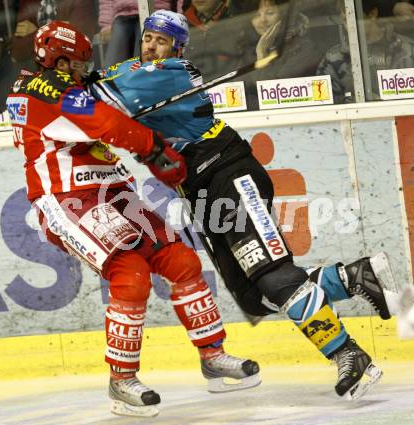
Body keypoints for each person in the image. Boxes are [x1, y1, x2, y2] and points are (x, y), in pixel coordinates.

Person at [90, 9, 397, 400]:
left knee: (273, 275)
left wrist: (68, 85)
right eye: (148, 37)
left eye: (161, 41)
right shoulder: (135, 68)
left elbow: (101, 102)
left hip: (229, 173)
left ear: (177, 47)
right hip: (199, 188)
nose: (151, 45)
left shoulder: (170, 72)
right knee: (258, 296)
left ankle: (349, 355)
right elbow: (109, 88)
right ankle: (355, 277)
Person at [6, 20, 260, 418]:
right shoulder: (42, 90)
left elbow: (106, 109)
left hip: (112, 191)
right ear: (57, 58)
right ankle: (122, 380)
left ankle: (213, 355)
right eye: (75, 63)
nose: (80, 70)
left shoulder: (63, 85)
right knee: (131, 274)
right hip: (66, 199)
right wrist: (153, 149)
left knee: (182, 260)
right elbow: (105, 123)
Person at [316, 0, 414, 103]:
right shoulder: (333, 57)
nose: (348, 23)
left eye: (352, 16)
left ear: (372, 14)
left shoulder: (407, 49)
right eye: (344, 18)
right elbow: (322, 101)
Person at [244, 0, 322, 109]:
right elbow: (239, 97)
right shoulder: (246, 52)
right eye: (256, 15)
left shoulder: (304, 49)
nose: (262, 20)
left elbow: (274, 97)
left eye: (270, 13)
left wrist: (262, 56)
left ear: (285, 17)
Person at [10, 0, 98, 71]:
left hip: (72, 75)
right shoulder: (28, 2)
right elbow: (17, 53)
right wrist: (62, 28)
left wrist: (36, 32)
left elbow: (78, 43)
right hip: (37, 75)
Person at [98, 0, 183, 67]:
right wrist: (106, 24)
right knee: (113, 64)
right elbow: (106, 1)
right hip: (121, 14)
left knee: (144, 65)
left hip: (154, 12)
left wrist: (180, 20)